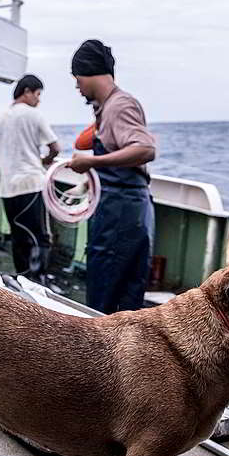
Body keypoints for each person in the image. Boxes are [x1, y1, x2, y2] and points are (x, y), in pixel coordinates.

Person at [66, 39, 156, 314]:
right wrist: (87, 181)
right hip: (121, 213)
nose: (77, 86)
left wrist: (91, 160)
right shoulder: (106, 109)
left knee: (108, 303)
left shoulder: (120, 105)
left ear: (87, 73)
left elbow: (144, 148)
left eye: (76, 78)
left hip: (122, 218)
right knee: (119, 305)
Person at [0, 74, 60, 280]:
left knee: (19, 238)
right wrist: (45, 160)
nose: (38, 100)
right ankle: (38, 282)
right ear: (27, 91)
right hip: (32, 184)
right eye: (37, 94)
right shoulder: (33, 115)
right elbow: (55, 147)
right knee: (40, 238)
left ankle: (23, 281)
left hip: (7, 188)